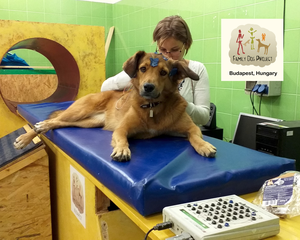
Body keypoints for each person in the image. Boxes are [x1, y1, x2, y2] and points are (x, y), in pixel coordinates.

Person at [101, 15, 211, 126]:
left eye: (174, 50)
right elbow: (105, 87)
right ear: (157, 45)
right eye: (162, 49)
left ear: (186, 45)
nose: (168, 56)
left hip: (182, 136)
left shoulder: (197, 69)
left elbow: (204, 117)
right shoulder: (146, 66)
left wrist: (176, 101)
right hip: (149, 135)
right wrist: (137, 76)